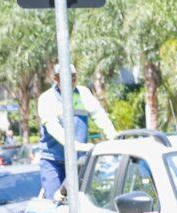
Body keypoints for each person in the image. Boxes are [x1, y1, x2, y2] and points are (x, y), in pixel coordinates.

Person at [37, 63, 117, 199]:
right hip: (54, 161)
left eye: (74, 76)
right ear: (56, 79)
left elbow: (99, 116)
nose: (72, 80)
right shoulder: (46, 99)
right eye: (67, 77)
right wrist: (77, 145)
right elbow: (53, 128)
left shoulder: (83, 93)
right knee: (54, 201)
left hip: (78, 160)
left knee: (81, 200)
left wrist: (114, 137)